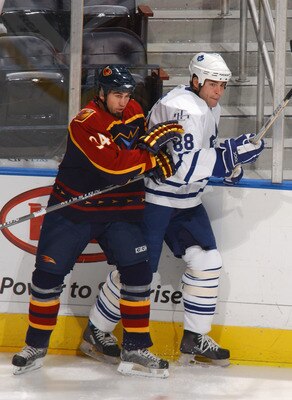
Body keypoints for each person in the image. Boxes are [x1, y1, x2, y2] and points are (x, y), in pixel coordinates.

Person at [80, 53, 265, 367]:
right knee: (139, 275)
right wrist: (230, 156)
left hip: (187, 203)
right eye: (213, 83)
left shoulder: (209, 105)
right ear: (196, 80)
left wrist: (229, 156)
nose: (219, 90)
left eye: (222, 84)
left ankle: (194, 337)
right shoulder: (180, 106)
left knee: (208, 262)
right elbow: (183, 168)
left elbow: (202, 151)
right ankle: (97, 329)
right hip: (155, 202)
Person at [11, 64, 184, 378]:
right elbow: (114, 166)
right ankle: (35, 346)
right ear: (101, 94)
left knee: (139, 274)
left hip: (120, 209)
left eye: (127, 93)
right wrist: (149, 156)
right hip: (74, 210)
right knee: (47, 278)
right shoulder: (84, 123)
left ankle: (135, 348)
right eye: (117, 94)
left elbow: (140, 146)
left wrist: (157, 155)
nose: (123, 100)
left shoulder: (133, 110)